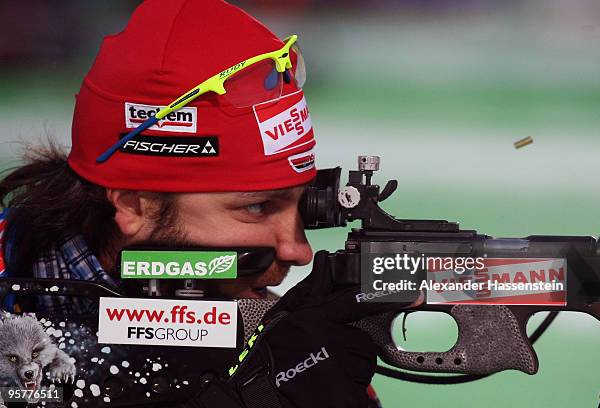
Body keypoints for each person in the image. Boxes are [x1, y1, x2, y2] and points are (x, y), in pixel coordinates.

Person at [0, 1, 418, 406]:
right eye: (256, 208)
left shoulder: (285, 343)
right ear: (133, 206)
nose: (298, 251)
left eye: (302, 204)